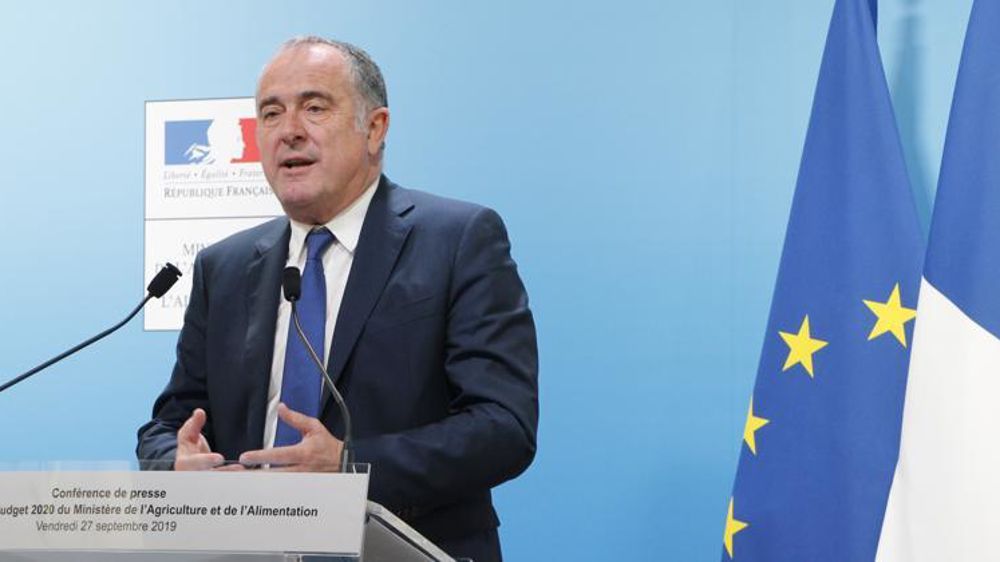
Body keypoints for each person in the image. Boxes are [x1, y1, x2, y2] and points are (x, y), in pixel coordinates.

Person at [137, 36, 539, 562]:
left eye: (315, 107)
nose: (289, 131)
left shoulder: (458, 239)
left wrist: (350, 466)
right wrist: (175, 463)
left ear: (375, 129)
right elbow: (169, 422)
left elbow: (503, 427)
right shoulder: (225, 266)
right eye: (271, 113)